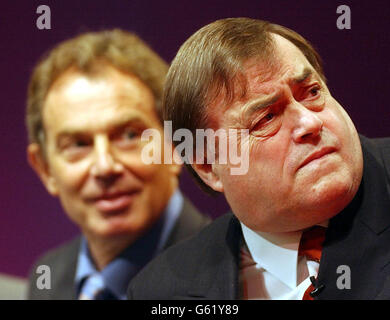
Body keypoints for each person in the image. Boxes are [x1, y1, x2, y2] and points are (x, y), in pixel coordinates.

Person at [127, 18, 390, 300]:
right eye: (266, 118)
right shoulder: (160, 291)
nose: (310, 122)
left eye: (312, 93)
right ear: (209, 167)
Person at [25, 29, 210, 300]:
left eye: (129, 135)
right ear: (45, 169)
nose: (104, 166)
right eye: (78, 144)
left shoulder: (236, 277)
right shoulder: (47, 276)